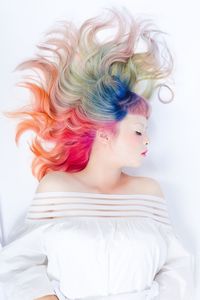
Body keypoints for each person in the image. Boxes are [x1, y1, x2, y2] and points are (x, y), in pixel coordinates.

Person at [0, 7, 194, 300]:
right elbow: (19, 261)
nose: (147, 141)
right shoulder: (57, 187)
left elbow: (178, 268)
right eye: (139, 131)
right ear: (104, 133)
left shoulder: (149, 192)